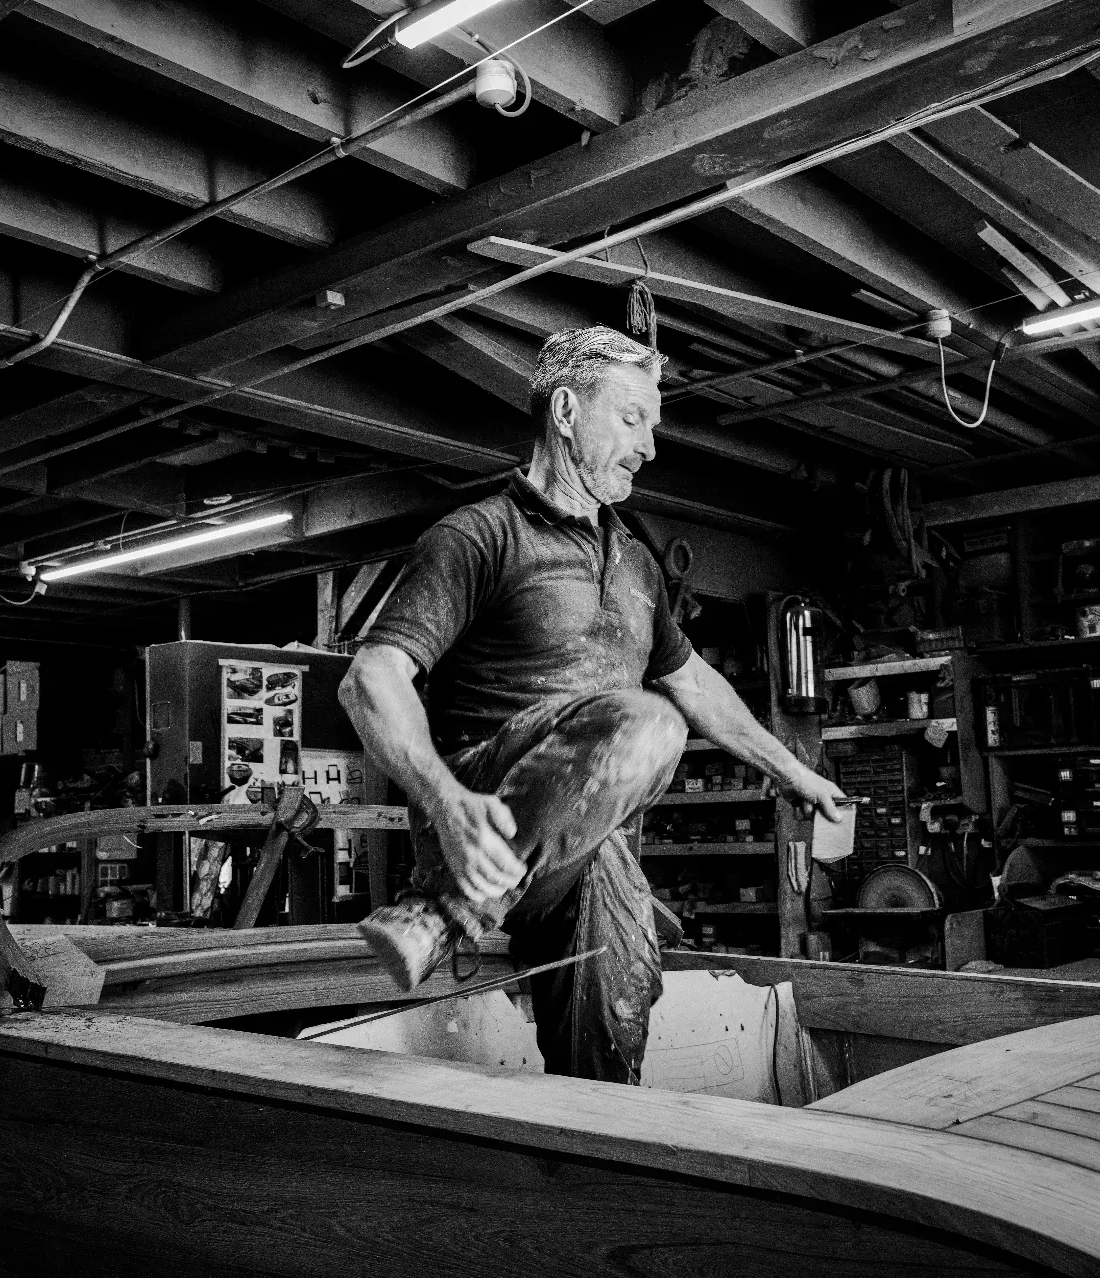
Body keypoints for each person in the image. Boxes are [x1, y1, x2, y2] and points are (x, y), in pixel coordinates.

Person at [341, 325, 846, 1083]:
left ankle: (592, 1181)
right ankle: (442, 910)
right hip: (481, 823)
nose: (649, 448)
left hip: (588, 844)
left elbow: (697, 683)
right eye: (633, 418)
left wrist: (795, 772)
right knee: (647, 721)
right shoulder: (480, 536)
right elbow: (371, 678)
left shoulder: (637, 561)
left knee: (614, 1030)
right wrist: (443, 801)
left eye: (655, 427)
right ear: (568, 412)